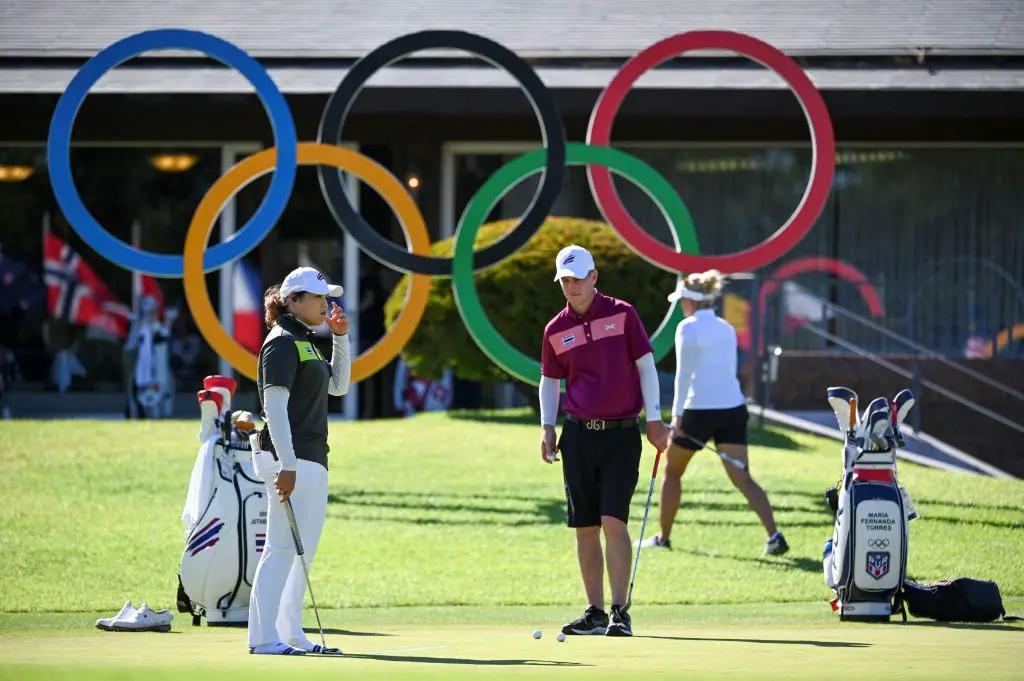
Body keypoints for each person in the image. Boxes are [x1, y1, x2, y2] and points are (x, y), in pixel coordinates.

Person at [539, 244, 670, 639]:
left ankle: (619, 612)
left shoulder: (622, 314)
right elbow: (549, 381)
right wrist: (547, 427)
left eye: (577, 279)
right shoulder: (555, 329)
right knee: (584, 527)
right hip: (577, 435)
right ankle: (594, 612)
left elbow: (646, 367)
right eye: (565, 280)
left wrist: (656, 419)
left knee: (614, 522)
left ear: (594, 277)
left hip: (621, 435)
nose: (571, 287)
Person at [636, 271, 788, 556]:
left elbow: (684, 376)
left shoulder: (688, 327)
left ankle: (663, 537)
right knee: (743, 477)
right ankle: (774, 535)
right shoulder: (726, 327)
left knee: (672, 471)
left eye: (682, 300)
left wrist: (678, 417)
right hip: (732, 409)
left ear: (690, 302)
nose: (681, 305)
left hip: (698, 412)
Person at [247, 267, 351, 656]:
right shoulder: (281, 342)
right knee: (279, 548)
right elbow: (273, 405)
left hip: (313, 458)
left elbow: (338, 386)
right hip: (290, 459)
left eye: (327, 297)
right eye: (318, 297)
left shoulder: (307, 341)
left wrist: (341, 337)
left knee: (301, 550)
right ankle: (262, 638)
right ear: (293, 300)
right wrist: (286, 464)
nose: (326, 303)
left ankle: (291, 634)